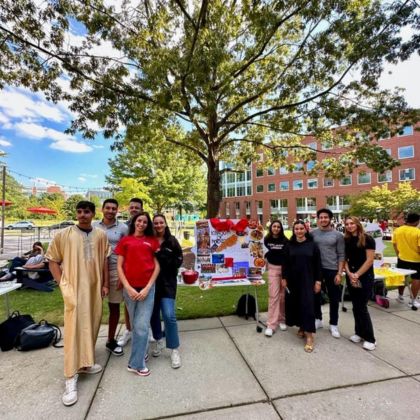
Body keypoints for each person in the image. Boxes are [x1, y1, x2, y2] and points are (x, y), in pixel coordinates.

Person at [46, 201, 111, 406]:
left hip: (94, 289)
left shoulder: (100, 235)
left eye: (87, 212)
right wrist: (62, 284)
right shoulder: (64, 235)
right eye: (80, 211)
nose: (83, 215)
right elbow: (52, 260)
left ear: (93, 214)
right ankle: (70, 377)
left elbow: (104, 260)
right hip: (73, 289)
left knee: (91, 325)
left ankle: (85, 363)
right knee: (74, 329)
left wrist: (105, 284)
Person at [115, 212, 160, 376]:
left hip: (147, 288)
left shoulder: (152, 241)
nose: (141, 224)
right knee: (137, 326)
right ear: (134, 222)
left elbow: (157, 266)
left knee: (141, 325)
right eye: (139, 221)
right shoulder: (125, 241)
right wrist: (128, 287)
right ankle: (143, 352)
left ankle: (135, 364)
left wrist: (148, 287)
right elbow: (119, 267)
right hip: (130, 290)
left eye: (145, 222)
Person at [93, 199, 128, 356]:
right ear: (102, 209)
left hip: (115, 270)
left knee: (114, 307)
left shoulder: (123, 228)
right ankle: (88, 343)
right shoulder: (93, 226)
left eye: (114, 208)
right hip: (93, 271)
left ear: (117, 210)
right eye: (108, 208)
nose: (110, 211)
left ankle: (110, 340)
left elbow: (127, 252)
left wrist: (122, 275)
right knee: (92, 308)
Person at [283, 220, 322, 353]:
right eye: (296, 229)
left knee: (308, 306)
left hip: (308, 280)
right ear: (294, 231)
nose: (299, 231)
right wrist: (284, 278)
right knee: (296, 305)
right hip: (293, 281)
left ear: (306, 230)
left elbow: (318, 265)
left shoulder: (313, 245)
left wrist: (318, 281)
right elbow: (286, 264)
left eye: (301, 228)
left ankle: (310, 335)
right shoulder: (289, 245)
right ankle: (301, 327)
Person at [150, 214, 183, 368]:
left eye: (161, 222)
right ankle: (158, 340)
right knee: (153, 315)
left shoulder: (172, 241)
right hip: (150, 284)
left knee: (169, 316)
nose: (158, 225)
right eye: (155, 223)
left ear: (165, 224)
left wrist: (164, 256)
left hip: (168, 284)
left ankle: (174, 349)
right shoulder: (148, 240)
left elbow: (178, 260)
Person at [344, 216, 376, 351]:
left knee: (362, 307)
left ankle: (370, 339)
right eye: (347, 224)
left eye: (352, 223)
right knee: (355, 307)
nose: (349, 226)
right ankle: (359, 332)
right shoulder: (346, 240)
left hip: (364, 276)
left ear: (357, 224)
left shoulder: (367, 239)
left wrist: (357, 274)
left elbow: (370, 260)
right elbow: (344, 259)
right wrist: (349, 273)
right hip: (351, 276)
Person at [311, 208, 345, 338]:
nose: (323, 219)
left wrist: (339, 273)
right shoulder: (313, 234)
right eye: (321, 217)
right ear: (318, 219)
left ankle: (333, 324)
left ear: (330, 219)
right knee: (315, 296)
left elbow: (341, 255)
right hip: (316, 270)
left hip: (332, 270)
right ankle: (318, 319)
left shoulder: (338, 235)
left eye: (326, 217)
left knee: (334, 298)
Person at [117, 197, 144, 348]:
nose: (134, 209)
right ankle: (128, 330)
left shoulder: (147, 225)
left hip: (145, 270)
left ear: (141, 209)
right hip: (127, 269)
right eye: (132, 207)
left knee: (146, 302)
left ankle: (147, 329)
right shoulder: (123, 227)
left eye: (137, 207)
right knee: (128, 303)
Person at [263, 220, 289, 337]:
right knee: (274, 296)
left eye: (278, 227)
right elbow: (262, 253)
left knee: (283, 297)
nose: (276, 228)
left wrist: (285, 276)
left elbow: (287, 258)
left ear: (281, 228)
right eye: (274, 226)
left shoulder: (285, 241)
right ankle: (271, 324)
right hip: (272, 270)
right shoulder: (266, 240)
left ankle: (282, 319)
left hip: (284, 270)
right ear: (271, 228)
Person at [392, 213, 420, 308]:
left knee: (402, 277)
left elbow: (394, 244)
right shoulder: (418, 232)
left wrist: (398, 255)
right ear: (417, 221)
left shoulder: (398, 230)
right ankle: (412, 300)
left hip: (402, 258)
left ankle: (400, 296)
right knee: (416, 279)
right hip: (416, 260)